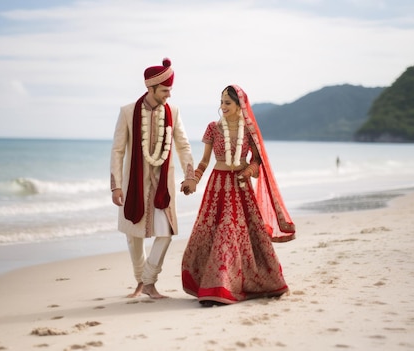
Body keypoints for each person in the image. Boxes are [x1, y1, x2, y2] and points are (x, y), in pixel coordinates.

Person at [181, 84, 296, 306]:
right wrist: (193, 179)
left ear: (238, 105)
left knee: (233, 234)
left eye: (227, 102)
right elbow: (205, 161)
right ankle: (215, 287)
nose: (222, 106)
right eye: (221, 102)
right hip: (217, 188)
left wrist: (249, 171)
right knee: (219, 233)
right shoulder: (213, 128)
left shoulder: (249, 130)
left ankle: (224, 288)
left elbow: (257, 160)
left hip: (240, 189)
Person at [110, 58, 197, 299]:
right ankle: (141, 282)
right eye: (165, 90)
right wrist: (116, 186)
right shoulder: (128, 112)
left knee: (166, 232)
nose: (169, 95)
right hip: (133, 184)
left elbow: (183, 145)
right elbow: (117, 150)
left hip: (162, 185)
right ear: (151, 88)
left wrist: (190, 175)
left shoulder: (174, 112)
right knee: (133, 235)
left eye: (170, 90)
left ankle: (149, 280)